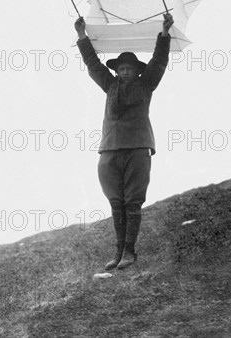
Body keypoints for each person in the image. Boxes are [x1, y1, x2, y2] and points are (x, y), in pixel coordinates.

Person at [75, 14, 173, 270]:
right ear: (116, 71)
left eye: (129, 68)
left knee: (133, 201)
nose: (125, 72)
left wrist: (164, 33)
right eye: (121, 69)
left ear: (136, 71)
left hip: (138, 149)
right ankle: (118, 253)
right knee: (115, 202)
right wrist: (82, 36)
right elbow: (94, 64)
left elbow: (159, 61)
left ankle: (129, 252)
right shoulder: (109, 86)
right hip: (109, 150)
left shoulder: (147, 84)